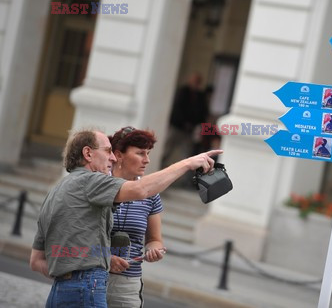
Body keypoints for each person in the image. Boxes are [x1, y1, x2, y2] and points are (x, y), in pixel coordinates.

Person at [30, 128, 221, 307]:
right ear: (88, 154)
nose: (112, 157)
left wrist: (69, 273)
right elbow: (141, 189)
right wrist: (187, 163)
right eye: (107, 151)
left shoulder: (56, 189)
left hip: (62, 288)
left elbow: (36, 260)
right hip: (88, 284)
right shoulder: (92, 182)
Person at [106, 126, 165, 307]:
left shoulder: (151, 193)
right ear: (119, 155)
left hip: (127, 286)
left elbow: (155, 239)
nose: (146, 160)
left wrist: (154, 250)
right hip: (91, 277)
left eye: (148, 153)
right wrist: (105, 258)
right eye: (140, 153)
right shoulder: (98, 185)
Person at [162, 72, 209, 168]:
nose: (196, 84)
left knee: (187, 154)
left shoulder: (200, 96)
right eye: (194, 81)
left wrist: (199, 125)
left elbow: (203, 112)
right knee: (166, 149)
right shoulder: (182, 92)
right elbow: (177, 108)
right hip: (177, 126)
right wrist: (183, 122)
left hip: (189, 130)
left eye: (198, 82)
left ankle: (185, 177)